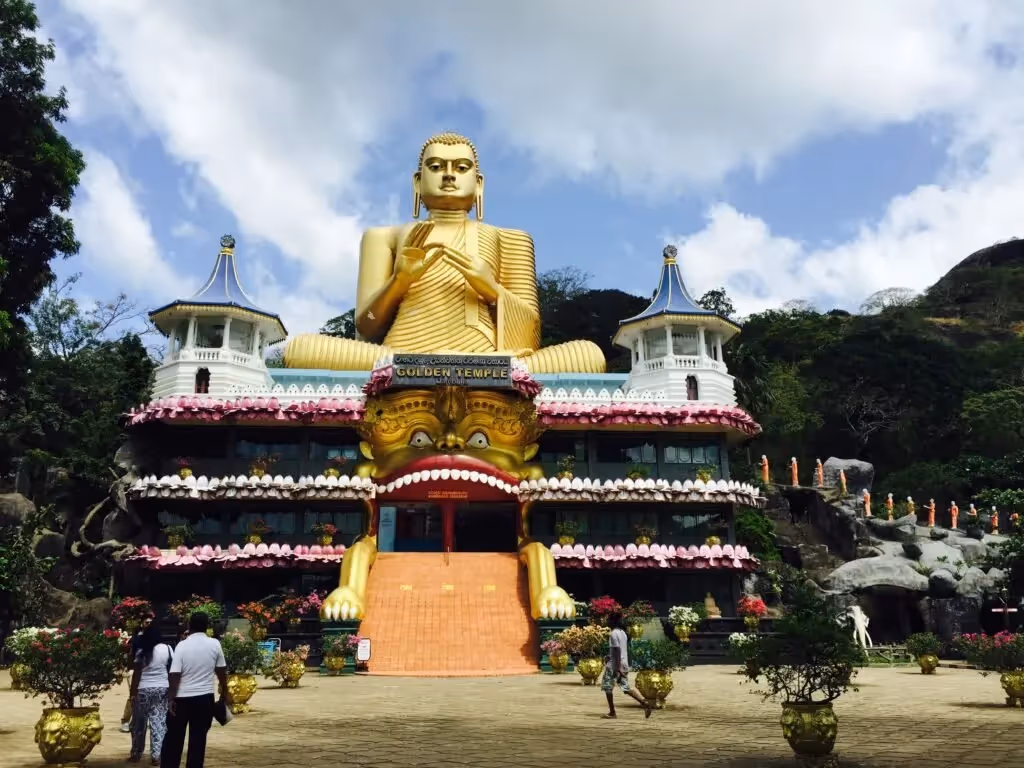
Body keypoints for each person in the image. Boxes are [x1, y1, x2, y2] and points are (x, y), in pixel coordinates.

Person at [161, 612, 227, 768]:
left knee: (174, 739)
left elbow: (175, 674)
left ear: (189, 625)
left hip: (182, 698)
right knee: (198, 739)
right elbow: (221, 671)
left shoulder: (182, 645)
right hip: (204, 697)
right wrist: (225, 691)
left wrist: (171, 698)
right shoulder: (215, 644)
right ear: (207, 626)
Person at [128, 623, 173, 764]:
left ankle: (136, 753)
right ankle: (156, 755)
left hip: (143, 689)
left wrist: (132, 694)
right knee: (158, 722)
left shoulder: (141, 651)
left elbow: (136, 674)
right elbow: (172, 670)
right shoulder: (167, 649)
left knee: (139, 724)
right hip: (162, 688)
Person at [602, 611, 652, 719]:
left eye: (608, 619)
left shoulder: (613, 633)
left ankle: (612, 712)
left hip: (614, 665)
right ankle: (644, 702)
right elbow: (622, 651)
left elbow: (617, 651)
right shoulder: (623, 633)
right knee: (625, 688)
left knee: (608, 687)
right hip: (623, 663)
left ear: (612, 621)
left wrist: (617, 668)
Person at [121, 618, 153, 733]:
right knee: (133, 696)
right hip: (136, 670)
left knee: (148, 695)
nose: (149, 624)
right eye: (146, 622)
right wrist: (130, 669)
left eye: (150, 622)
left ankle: (143, 719)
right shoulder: (136, 638)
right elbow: (130, 653)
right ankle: (125, 720)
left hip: (150, 671)